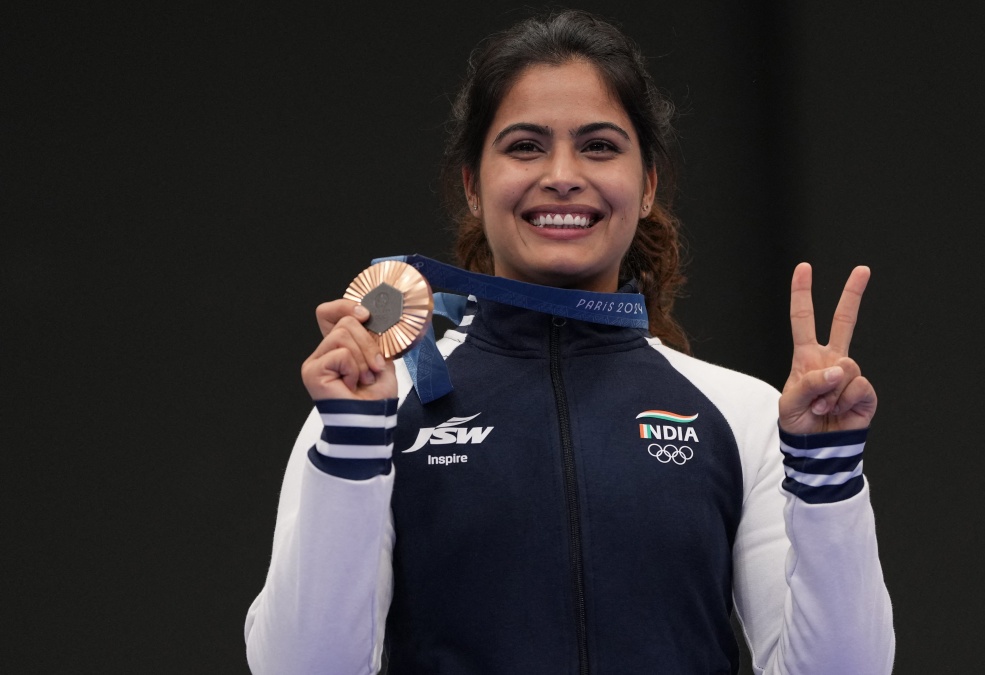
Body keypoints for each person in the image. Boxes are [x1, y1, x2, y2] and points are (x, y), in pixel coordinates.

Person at [245, 9, 893, 674]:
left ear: (646, 187)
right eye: (525, 145)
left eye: (600, 146)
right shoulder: (377, 404)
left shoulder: (741, 413)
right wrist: (352, 440)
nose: (562, 174)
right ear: (473, 185)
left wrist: (828, 477)